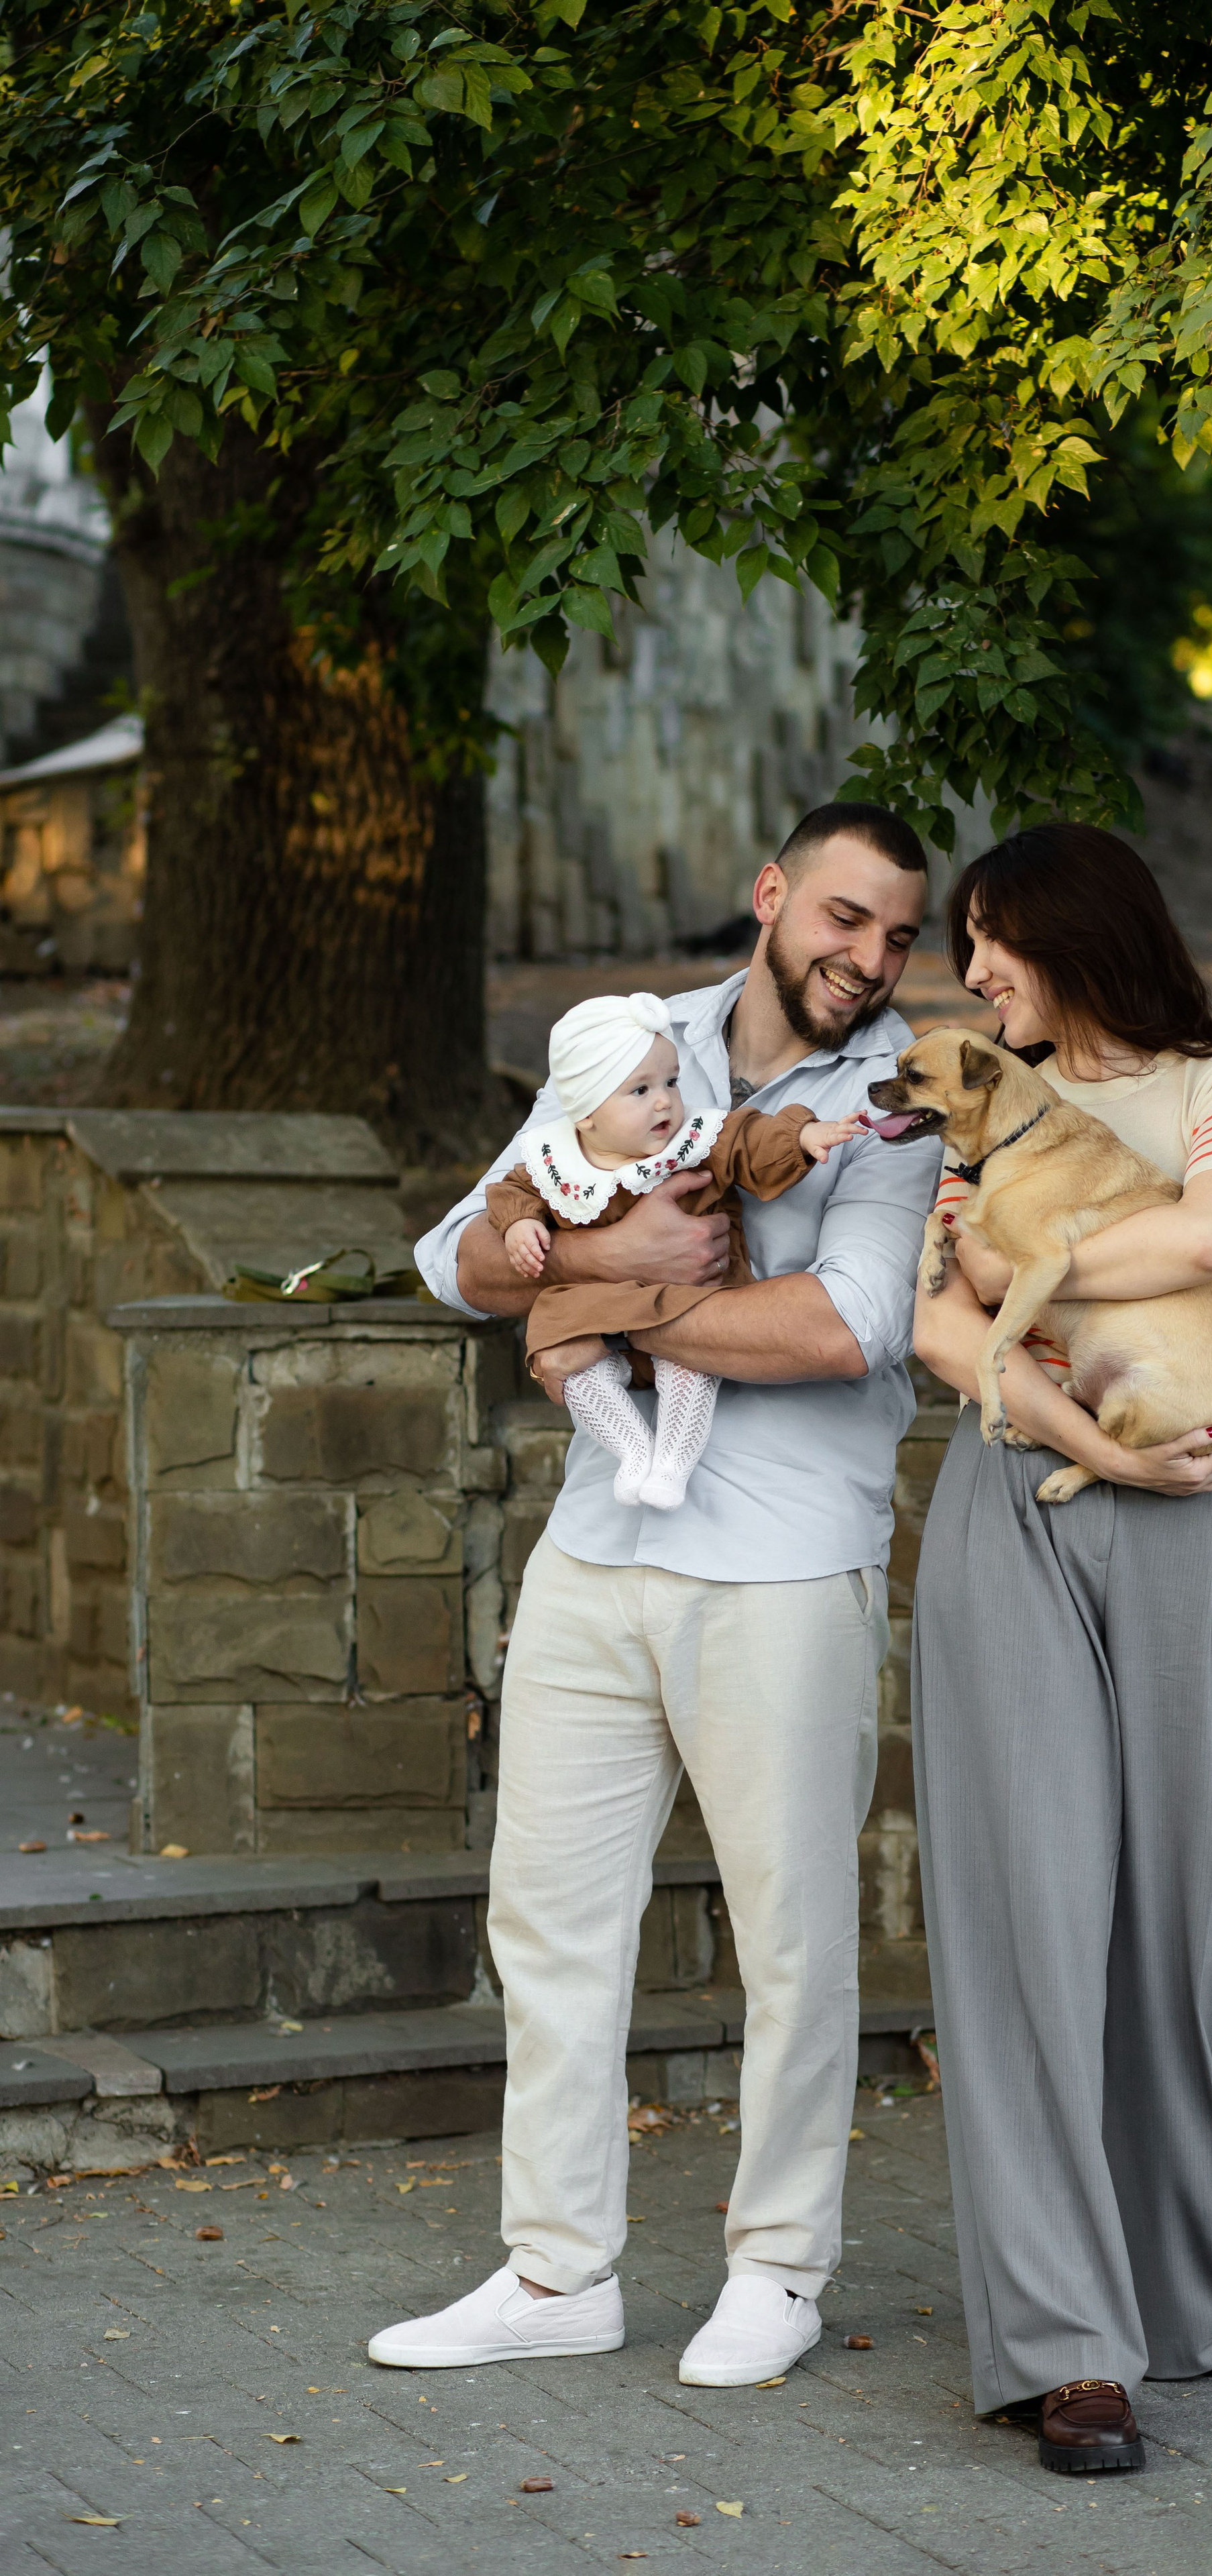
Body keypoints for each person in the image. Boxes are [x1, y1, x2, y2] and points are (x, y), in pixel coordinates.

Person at [369, 803, 940, 2385]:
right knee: (545, 1922)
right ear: (771, 898)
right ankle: (556, 2273)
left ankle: (777, 2266)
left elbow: (849, 1325)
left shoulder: (901, 1095)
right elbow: (456, 1254)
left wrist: (615, 1305)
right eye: (842, 917)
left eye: (898, 933)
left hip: (779, 1564)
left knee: (790, 1939)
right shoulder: (634, 1038)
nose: (867, 957)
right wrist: (604, 1277)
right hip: (594, 1554)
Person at [909, 821, 1212, 2476]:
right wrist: (1072, 1397)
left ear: (1079, 934)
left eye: (994, 939)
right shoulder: (976, 1102)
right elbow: (939, 1318)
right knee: (1032, 1917)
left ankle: (1184, 2293)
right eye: (968, 947)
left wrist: (1033, 1266)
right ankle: (1061, 2345)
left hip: (1194, 1514)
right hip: (1022, 1496)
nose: (975, 973)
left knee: (1211, 1917)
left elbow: (1211, 1235)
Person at [485, 989, 863, 1509]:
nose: (665, 1100)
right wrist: (519, 1226)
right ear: (587, 1113)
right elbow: (512, 1194)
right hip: (594, 1317)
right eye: (639, 1091)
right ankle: (634, 1450)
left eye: (670, 1081)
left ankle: (672, 1463)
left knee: (688, 1368)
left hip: (687, 1305)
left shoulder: (694, 1141)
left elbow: (749, 1141)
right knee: (563, 1356)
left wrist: (800, 1138)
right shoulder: (555, 1162)